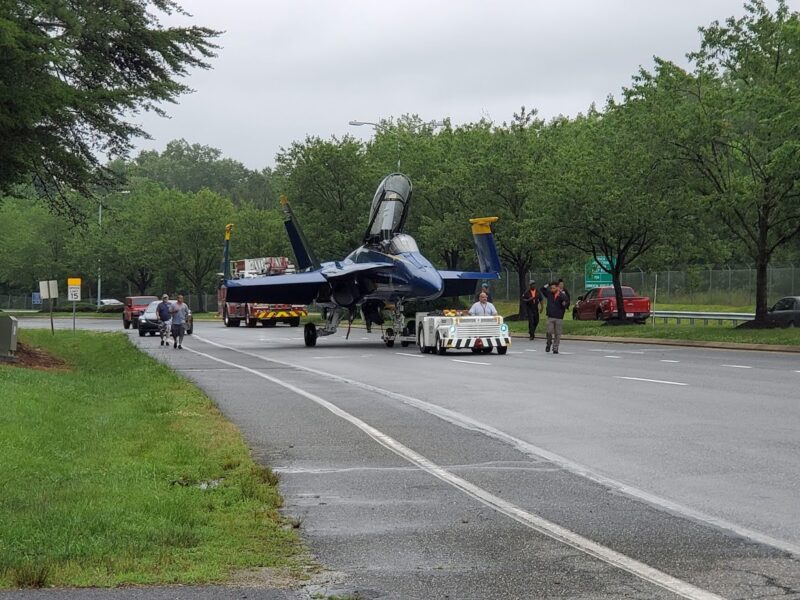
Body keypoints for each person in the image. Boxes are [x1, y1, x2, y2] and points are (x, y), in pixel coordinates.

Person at [541, 281, 570, 354]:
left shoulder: (562, 295)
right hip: (550, 316)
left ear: (557, 287)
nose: (552, 289)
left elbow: (567, 302)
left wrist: (564, 304)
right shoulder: (549, 294)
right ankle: (549, 342)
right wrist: (548, 284)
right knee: (549, 332)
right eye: (551, 288)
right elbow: (542, 289)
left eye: (554, 288)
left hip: (559, 317)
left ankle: (555, 347)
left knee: (557, 334)